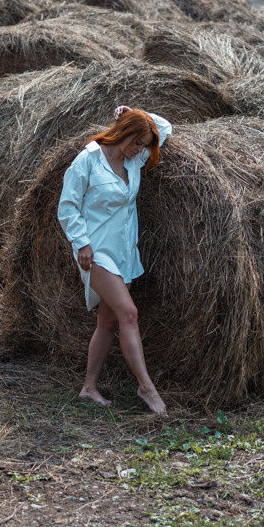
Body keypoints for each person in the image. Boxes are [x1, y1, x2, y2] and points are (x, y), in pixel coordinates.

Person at [57, 105, 171, 415]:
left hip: (123, 250)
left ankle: (88, 388)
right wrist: (81, 244)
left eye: (145, 145)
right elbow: (67, 207)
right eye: (138, 142)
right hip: (96, 252)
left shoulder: (133, 161)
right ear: (126, 134)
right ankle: (146, 386)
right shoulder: (88, 160)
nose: (141, 150)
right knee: (128, 313)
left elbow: (166, 127)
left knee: (107, 323)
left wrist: (136, 111)